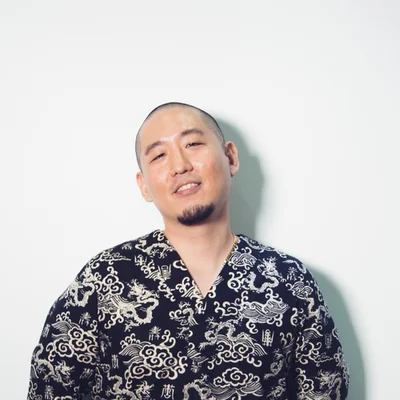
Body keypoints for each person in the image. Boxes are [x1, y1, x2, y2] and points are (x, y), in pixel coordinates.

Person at [28, 102, 349, 399]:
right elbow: (49, 387)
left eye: (193, 144)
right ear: (144, 185)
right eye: (159, 156)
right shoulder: (104, 278)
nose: (179, 165)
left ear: (230, 157)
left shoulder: (288, 280)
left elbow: (325, 389)